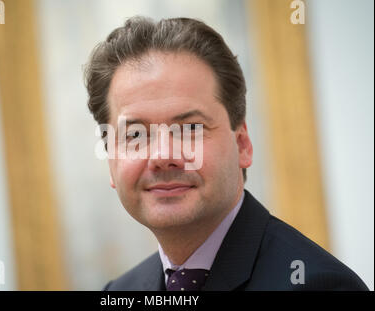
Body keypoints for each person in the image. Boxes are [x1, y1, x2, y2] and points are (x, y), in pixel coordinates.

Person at [83, 16, 368, 291]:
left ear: (242, 145)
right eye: (135, 135)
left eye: (189, 128)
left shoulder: (320, 285)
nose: (162, 156)